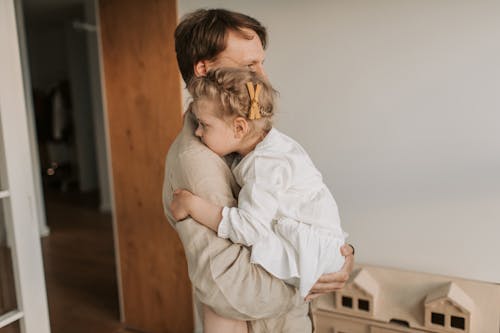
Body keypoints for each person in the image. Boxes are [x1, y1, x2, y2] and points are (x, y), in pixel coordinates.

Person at [162, 8, 355, 333]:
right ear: (204, 70)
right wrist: (310, 276)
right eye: (249, 65)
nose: (263, 77)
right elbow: (231, 291)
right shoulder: (198, 161)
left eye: (261, 63)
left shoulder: (248, 141)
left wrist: (337, 253)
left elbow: (295, 210)